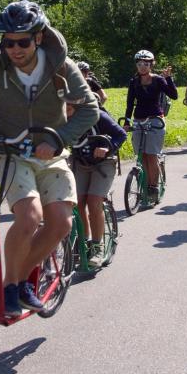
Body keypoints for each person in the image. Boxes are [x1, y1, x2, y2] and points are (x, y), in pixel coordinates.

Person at [0, 0, 99, 316]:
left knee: (61, 223)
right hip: (8, 151)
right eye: (8, 42)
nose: (15, 48)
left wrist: (59, 138)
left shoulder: (62, 67)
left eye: (22, 41)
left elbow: (89, 109)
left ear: (38, 37)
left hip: (50, 154)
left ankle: (21, 282)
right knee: (29, 216)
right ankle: (9, 287)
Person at [67, 103, 127, 268]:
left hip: (103, 163)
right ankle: (84, 242)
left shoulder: (97, 115)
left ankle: (97, 247)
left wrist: (107, 147)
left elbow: (121, 134)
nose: (65, 108)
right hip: (80, 162)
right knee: (76, 203)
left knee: (94, 202)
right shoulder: (62, 118)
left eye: (68, 105)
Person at [124, 49, 177, 204]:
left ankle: (152, 187)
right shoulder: (133, 82)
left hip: (155, 120)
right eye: (139, 63)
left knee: (151, 154)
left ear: (151, 64)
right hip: (139, 119)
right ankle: (147, 184)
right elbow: (129, 104)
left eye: (146, 63)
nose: (142, 66)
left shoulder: (158, 80)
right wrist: (127, 122)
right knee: (142, 154)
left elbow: (173, 95)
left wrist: (169, 79)